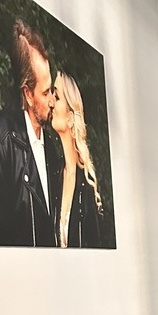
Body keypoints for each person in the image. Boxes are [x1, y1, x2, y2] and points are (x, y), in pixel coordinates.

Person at [0, 19, 63, 245]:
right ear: (28, 94)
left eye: (52, 90)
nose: (52, 101)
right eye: (45, 93)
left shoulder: (52, 149)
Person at [51, 71, 104, 248]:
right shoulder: (53, 174)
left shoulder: (87, 186)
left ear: (70, 118)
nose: (51, 102)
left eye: (57, 97)